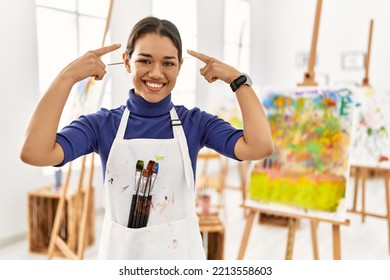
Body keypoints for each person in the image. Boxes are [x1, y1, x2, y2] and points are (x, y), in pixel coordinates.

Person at [20, 16, 273, 259]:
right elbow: (35, 152)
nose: (156, 73)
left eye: (168, 63)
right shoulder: (103, 124)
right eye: (145, 60)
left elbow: (259, 147)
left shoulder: (195, 123)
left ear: (180, 66)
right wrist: (67, 77)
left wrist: (239, 81)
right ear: (127, 62)